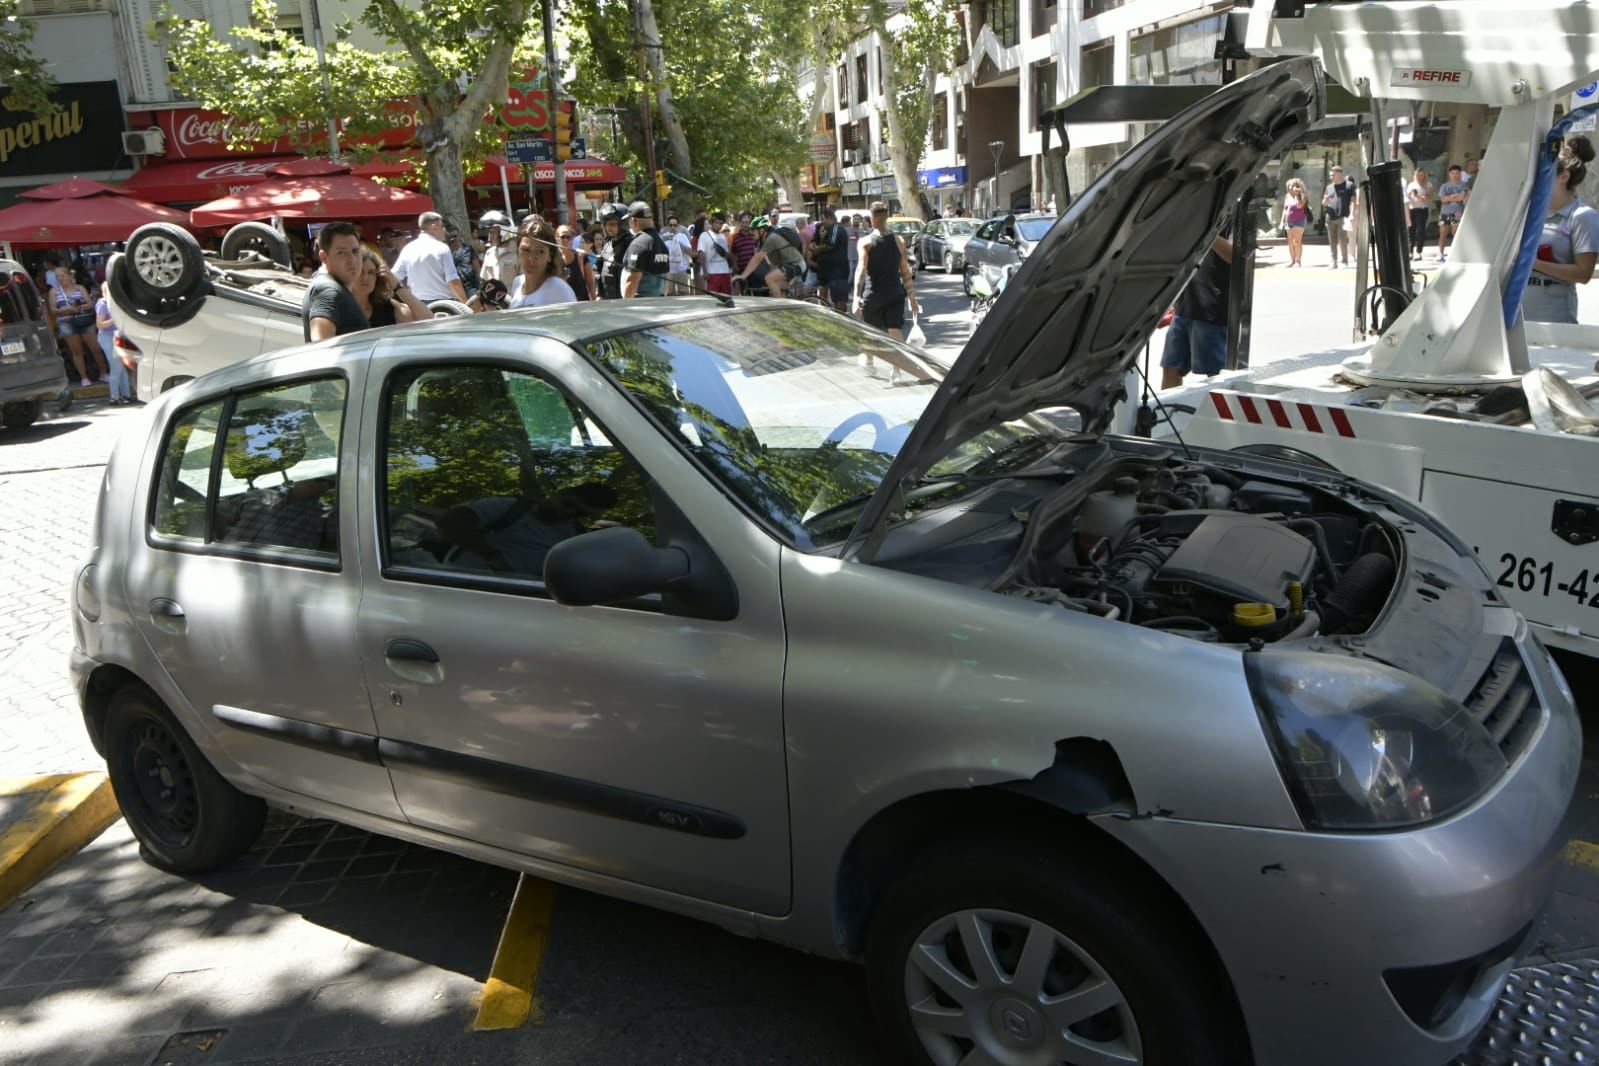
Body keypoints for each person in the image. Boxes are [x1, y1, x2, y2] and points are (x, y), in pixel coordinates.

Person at [1523, 135, 1599, 325]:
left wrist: (1535, 264)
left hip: (1553, 313)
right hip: (1516, 308)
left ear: (1563, 176)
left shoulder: (1582, 216)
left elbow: (1583, 273)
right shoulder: (1527, 212)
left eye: (1543, 173)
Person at [1160, 234, 1233, 389]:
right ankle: (1170, 412)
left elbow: (1235, 255)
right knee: (1171, 367)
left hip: (1211, 308)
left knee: (1214, 375)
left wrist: (1208, 230)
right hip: (1184, 306)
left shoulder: (1231, 216)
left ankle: (1220, 412)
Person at [851, 201, 919, 337]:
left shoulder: (865, 243)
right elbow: (905, 272)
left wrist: (856, 297)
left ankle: (871, 359)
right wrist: (912, 299)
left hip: (873, 296)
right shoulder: (899, 241)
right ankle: (898, 358)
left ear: (872, 218)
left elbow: (861, 270)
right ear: (887, 217)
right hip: (894, 294)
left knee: (871, 338)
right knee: (896, 335)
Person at [302, 221, 369, 342]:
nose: (352, 260)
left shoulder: (336, 288)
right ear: (324, 257)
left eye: (355, 251)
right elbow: (321, 347)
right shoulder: (328, 291)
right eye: (341, 253)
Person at [393, 211, 469, 305]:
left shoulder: (408, 249)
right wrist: (466, 304)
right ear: (434, 227)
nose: (444, 230)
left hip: (419, 305)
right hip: (445, 305)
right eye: (442, 226)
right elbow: (453, 281)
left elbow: (394, 276)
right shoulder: (442, 248)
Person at [52, 269, 107, 386]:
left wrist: (80, 307)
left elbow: (90, 303)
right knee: (77, 351)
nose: (59, 278)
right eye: (57, 277)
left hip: (84, 320)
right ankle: (84, 377)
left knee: (96, 348)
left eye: (62, 276)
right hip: (66, 322)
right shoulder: (54, 291)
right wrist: (67, 309)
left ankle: (103, 373)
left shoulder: (80, 288)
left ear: (68, 276)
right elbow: (53, 309)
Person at [507, 218, 578, 308]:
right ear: (517, 251)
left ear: (550, 256)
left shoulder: (559, 289)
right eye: (525, 250)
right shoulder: (517, 283)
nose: (531, 258)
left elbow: (573, 320)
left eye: (540, 251)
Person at [354, 248, 430, 327]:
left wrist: (397, 285)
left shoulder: (387, 306)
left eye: (371, 272)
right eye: (360, 272)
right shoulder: (341, 307)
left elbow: (428, 320)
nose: (365, 277)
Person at [737, 216, 806, 297]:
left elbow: (757, 259)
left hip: (796, 264)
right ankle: (786, 302)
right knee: (776, 285)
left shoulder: (771, 238)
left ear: (761, 230)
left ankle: (778, 306)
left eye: (753, 230)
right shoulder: (763, 240)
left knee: (769, 278)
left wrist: (743, 275)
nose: (752, 233)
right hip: (788, 265)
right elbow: (758, 257)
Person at [94, 284, 134, 405]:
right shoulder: (103, 304)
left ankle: (126, 395)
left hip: (118, 336)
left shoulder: (117, 303)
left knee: (122, 366)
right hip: (107, 337)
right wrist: (115, 319)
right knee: (116, 366)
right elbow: (100, 324)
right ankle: (114, 396)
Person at [621, 201, 671, 298]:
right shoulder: (661, 243)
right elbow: (666, 279)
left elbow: (632, 280)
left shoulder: (638, 244)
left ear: (633, 221)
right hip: (659, 302)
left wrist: (626, 305)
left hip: (640, 305)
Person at [808, 205, 851, 309]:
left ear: (830, 218)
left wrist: (816, 250)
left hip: (838, 273)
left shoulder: (836, 228)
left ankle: (843, 318)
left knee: (839, 300)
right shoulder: (828, 230)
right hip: (829, 273)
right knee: (829, 298)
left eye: (823, 219)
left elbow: (830, 246)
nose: (822, 222)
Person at [1322, 165, 1359, 269]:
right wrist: (1325, 202)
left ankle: (1344, 261)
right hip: (1330, 216)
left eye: (1332, 174)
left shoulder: (1349, 185)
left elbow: (1353, 201)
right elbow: (1324, 202)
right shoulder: (1329, 187)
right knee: (1332, 240)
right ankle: (1333, 261)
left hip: (1343, 216)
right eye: (1330, 174)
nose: (1330, 176)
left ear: (1339, 174)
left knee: (1342, 239)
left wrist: (1351, 214)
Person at [596, 202, 630, 299]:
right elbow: (599, 271)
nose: (609, 227)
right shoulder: (607, 245)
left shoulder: (630, 244)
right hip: (608, 299)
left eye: (613, 224)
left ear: (623, 224)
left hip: (624, 300)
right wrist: (599, 294)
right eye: (606, 224)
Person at [477, 210, 518, 291]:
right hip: (495, 302)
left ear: (504, 231)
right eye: (489, 232)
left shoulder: (518, 252)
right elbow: (484, 280)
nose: (490, 236)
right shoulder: (489, 253)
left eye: (493, 232)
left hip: (514, 301)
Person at [696, 212, 734, 296]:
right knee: (712, 298)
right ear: (712, 223)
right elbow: (701, 254)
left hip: (725, 271)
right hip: (712, 273)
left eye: (721, 223)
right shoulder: (704, 235)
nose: (719, 225)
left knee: (727, 296)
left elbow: (726, 254)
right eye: (717, 223)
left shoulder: (723, 236)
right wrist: (705, 271)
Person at [1436, 164, 1468, 262]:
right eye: (1453, 173)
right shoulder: (1444, 186)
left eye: (1457, 173)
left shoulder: (1464, 185)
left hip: (1457, 212)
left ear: (1460, 174)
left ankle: (1456, 254)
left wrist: (1450, 198)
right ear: (1449, 174)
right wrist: (1454, 197)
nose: (1455, 175)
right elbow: (1443, 199)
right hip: (1445, 212)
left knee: (1455, 232)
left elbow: (1462, 197)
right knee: (1443, 233)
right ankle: (1440, 254)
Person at [556, 223, 596, 300]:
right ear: (557, 239)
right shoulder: (554, 259)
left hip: (582, 301)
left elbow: (590, 281)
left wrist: (593, 300)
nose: (566, 240)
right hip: (563, 302)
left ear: (573, 238)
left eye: (569, 237)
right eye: (563, 237)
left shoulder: (581, 256)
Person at [1405, 168, 1433, 260]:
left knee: (1420, 231)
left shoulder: (1428, 185)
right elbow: (1407, 198)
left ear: (1424, 176)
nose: (1419, 177)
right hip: (1411, 209)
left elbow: (1427, 198)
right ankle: (1410, 252)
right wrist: (1410, 195)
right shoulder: (1411, 185)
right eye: (1418, 175)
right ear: (1415, 175)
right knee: (1410, 231)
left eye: (1421, 175)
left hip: (1422, 209)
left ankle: (1419, 251)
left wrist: (1417, 196)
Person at [662, 214, 695, 295]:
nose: (673, 227)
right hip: (669, 271)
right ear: (667, 226)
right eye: (670, 225)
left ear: (678, 226)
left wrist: (679, 243)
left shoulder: (682, 237)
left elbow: (690, 252)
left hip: (682, 270)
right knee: (669, 294)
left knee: (684, 293)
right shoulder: (663, 237)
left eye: (675, 225)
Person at [446, 223, 479, 302]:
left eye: (455, 236)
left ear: (459, 235)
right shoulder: (446, 252)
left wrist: (480, 282)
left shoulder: (468, 249)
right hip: (456, 288)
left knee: (476, 308)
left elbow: (476, 266)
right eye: (450, 237)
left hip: (471, 286)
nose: (453, 239)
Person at [1281, 178, 1310, 267]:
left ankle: (1298, 261)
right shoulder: (1287, 196)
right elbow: (1285, 209)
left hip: (1299, 221)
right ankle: (1292, 260)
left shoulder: (1303, 195)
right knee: (1290, 242)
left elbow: (1299, 205)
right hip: (1289, 221)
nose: (1290, 187)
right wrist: (1282, 221)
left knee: (1297, 241)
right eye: (1289, 186)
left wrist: (1298, 194)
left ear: (1297, 187)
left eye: (1292, 185)